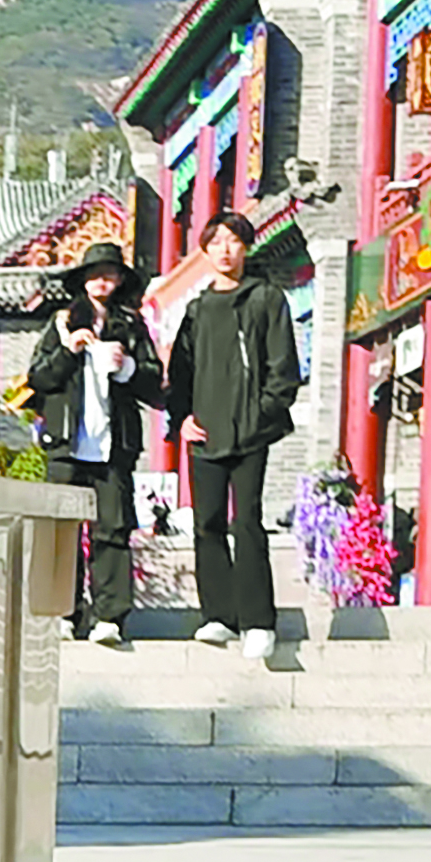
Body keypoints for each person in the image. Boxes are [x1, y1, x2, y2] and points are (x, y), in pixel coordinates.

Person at [160, 206, 302, 657]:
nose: (225, 250)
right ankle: (218, 615)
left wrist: (262, 414)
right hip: (203, 433)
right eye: (216, 242)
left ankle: (258, 620)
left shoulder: (265, 299)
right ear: (204, 250)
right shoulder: (198, 309)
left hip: (251, 432)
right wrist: (181, 417)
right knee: (206, 523)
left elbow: (283, 369)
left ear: (246, 247)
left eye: (234, 241)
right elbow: (179, 373)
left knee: (247, 522)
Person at [26, 242, 162, 646]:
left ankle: (109, 616)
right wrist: (69, 351)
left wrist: (129, 367)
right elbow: (38, 378)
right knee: (61, 532)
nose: (102, 281)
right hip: (67, 443)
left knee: (113, 531)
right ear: (83, 279)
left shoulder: (131, 324)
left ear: (120, 279)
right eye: (95, 273)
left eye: (110, 273)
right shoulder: (63, 322)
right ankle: (63, 614)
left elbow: (155, 382)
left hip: (113, 444)